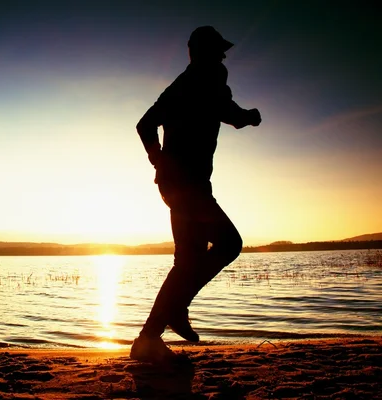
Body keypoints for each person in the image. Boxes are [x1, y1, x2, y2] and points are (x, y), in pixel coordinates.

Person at [130, 26, 262, 363]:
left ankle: (149, 337)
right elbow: (231, 114)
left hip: (177, 184)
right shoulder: (209, 79)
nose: (223, 56)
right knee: (229, 244)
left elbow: (145, 125)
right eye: (219, 50)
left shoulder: (181, 86)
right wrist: (250, 117)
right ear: (203, 52)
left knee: (187, 261)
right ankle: (173, 311)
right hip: (187, 185)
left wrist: (158, 159)